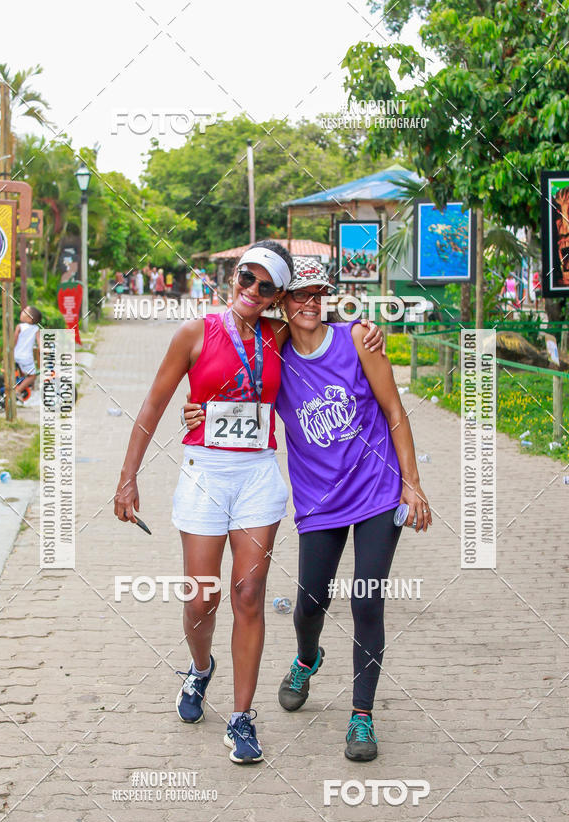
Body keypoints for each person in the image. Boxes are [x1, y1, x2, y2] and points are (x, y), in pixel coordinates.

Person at [114, 241, 384, 765]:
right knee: (201, 598)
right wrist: (128, 478)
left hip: (258, 477)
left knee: (250, 594)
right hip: (204, 475)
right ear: (234, 278)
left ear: (275, 296)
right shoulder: (195, 332)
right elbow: (154, 402)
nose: (252, 291)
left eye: (265, 287)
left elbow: (320, 319)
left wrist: (367, 326)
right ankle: (199, 670)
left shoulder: (277, 334)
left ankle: (242, 719)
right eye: (246, 279)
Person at [184, 257, 431, 762]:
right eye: (300, 294)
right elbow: (235, 376)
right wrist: (200, 411)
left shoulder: (359, 339)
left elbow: (395, 412)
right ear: (284, 301)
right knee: (309, 604)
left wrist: (413, 484)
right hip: (319, 502)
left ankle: (361, 716)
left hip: (378, 492)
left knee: (366, 599)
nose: (311, 303)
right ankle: (305, 658)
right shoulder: (272, 346)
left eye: (320, 294)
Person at [14, 306, 42, 401]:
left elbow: (14, 341)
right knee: (32, 376)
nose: (22, 312)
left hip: (16, 355)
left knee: (24, 374)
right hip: (26, 357)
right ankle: (18, 391)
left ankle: (19, 388)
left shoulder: (19, 327)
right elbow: (40, 344)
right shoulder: (36, 329)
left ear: (30, 318)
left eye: (24, 312)